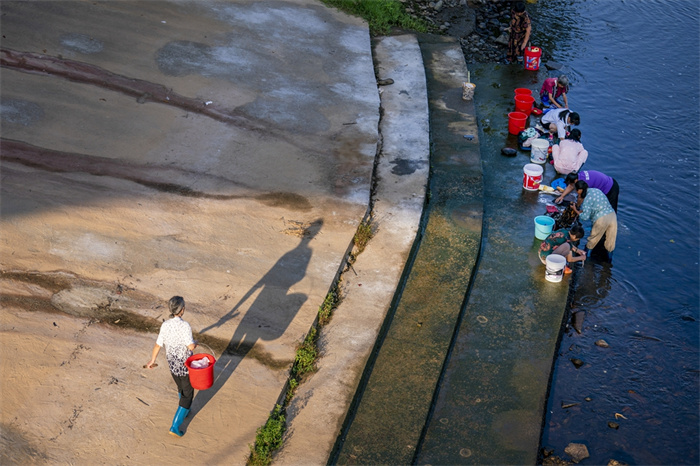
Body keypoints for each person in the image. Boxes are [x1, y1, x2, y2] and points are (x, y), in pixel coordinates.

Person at [146, 296, 197, 437]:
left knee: (181, 387)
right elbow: (191, 346)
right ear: (182, 310)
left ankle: (184, 411)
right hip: (185, 366)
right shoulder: (185, 325)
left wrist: (152, 360)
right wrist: (195, 343)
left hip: (173, 365)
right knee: (188, 395)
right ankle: (175, 426)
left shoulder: (165, 325)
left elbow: (158, 345)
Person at [572, 181, 618, 253]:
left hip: (601, 219)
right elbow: (596, 206)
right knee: (610, 242)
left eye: (576, 190)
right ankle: (608, 261)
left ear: (580, 190)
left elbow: (584, 217)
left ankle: (586, 258)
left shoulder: (587, 199)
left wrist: (575, 210)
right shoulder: (596, 190)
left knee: (592, 241)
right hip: (612, 216)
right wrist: (582, 211)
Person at [555, 170, 619, 212]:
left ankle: (611, 225)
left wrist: (576, 207)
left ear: (575, 181)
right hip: (606, 182)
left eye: (571, 183)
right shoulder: (578, 176)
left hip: (611, 187)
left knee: (611, 210)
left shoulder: (583, 184)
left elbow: (581, 197)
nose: (571, 185)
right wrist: (562, 196)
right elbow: (571, 186)